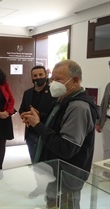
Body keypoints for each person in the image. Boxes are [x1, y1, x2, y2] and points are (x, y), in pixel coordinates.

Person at [21, 60, 100, 209]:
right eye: (52, 79)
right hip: (55, 174)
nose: (53, 84)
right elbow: (58, 123)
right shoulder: (65, 99)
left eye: (59, 80)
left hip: (67, 179)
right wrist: (41, 117)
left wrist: (37, 125)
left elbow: (66, 148)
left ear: (75, 80)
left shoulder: (78, 107)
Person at [19, 65, 56, 198]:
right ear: (31, 77)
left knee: (48, 164)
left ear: (45, 75)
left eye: (41, 75)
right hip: (31, 135)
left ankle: (51, 190)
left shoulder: (53, 92)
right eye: (35, 76)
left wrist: (39, 117)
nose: (38, 78)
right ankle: (40, 187)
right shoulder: (27, 93)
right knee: (36, 163)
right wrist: (25, 115)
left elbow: (55, 114)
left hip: (46, 134)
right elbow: (21, 109)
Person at [95, 82, 110, 178]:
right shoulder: (109, 85)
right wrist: (98, 121)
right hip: (108, 120)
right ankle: (107, 174)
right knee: (107, 149)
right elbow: (104, 102)